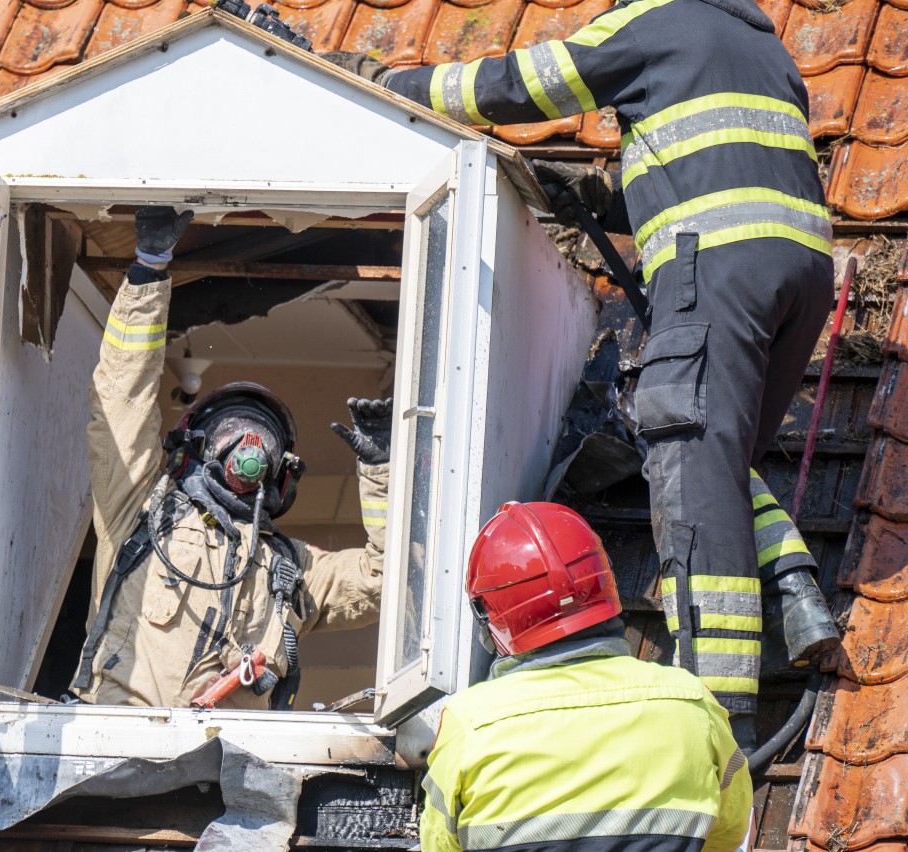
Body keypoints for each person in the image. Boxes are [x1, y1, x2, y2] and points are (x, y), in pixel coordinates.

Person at [322, 0, 838, 748]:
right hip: (800, 274)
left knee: (691, 483)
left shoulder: (657, 22)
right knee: (719, 458)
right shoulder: (766, 48)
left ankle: (721, 726)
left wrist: (384, 83)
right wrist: (600, 196)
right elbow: (716, 166)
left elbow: (512, 87)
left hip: (715, 272)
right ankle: (794, 590)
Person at [70, 206, 391, 710]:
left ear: (281, 473)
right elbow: (120, 401)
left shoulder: (293, 571)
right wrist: (148, 269)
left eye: (264, 438)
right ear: (198, 445)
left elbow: (383, 579)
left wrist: (380, 470)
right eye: (233, 430)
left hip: (224, 775)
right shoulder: (140, 511)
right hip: (114, 743)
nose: (250, 448)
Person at [420, 501, 752, 852]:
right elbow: (729, 832)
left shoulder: (470, 725)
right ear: (604, 580)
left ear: (490, 615)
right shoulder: (693, 704)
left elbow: (438, 844)